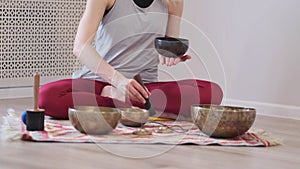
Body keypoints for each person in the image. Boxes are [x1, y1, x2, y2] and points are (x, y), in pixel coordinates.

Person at [38, 0, 223, 119]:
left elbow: (168, 47)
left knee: (212, 92)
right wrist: (118, 82)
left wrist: (172, 56)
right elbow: (80, 47)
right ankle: (140, 107)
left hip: (143, 88)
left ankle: (118, 104)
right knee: (47, 96)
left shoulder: (173, 2)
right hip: (101, 82)